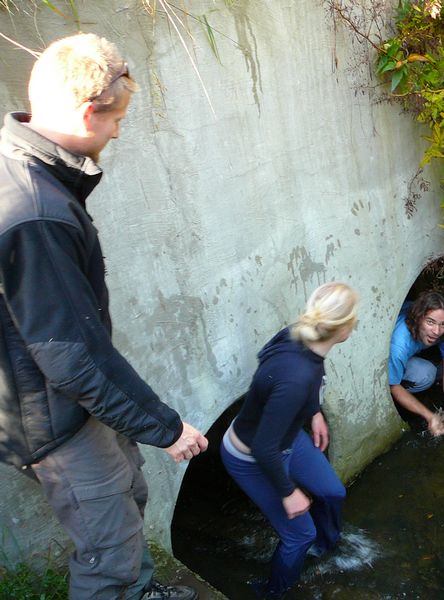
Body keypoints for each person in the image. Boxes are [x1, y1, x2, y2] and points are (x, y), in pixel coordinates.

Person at [0, 33, 209, 600]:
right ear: (90, 112)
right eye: (117, 120)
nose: (118, 132)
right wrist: (165, 427)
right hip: (50, 413)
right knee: (107, 548)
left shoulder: (31, 169)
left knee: (129, 492)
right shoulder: (34, 211)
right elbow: (70, 356)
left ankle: (141, 589)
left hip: (68, 395)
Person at [220, 282, 357, 598]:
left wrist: (314, 412)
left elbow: (270, 365)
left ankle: (327, 546)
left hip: (285, 437)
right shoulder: (297, 378)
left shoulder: (300, 335)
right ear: (343, 327)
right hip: (252, 458)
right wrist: (288, 492)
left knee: (333, 492)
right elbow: (264, 447)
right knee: (299, 534)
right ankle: (272, 592)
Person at [388, 290, 444, 435]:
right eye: (430, 322)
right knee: (426, 375)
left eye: (443, 324)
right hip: (388, 357)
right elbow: (393, 386)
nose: (437, 331)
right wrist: (430, 417)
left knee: (442, 371)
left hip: (412, 352)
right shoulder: (399, 343)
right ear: (418, 318)